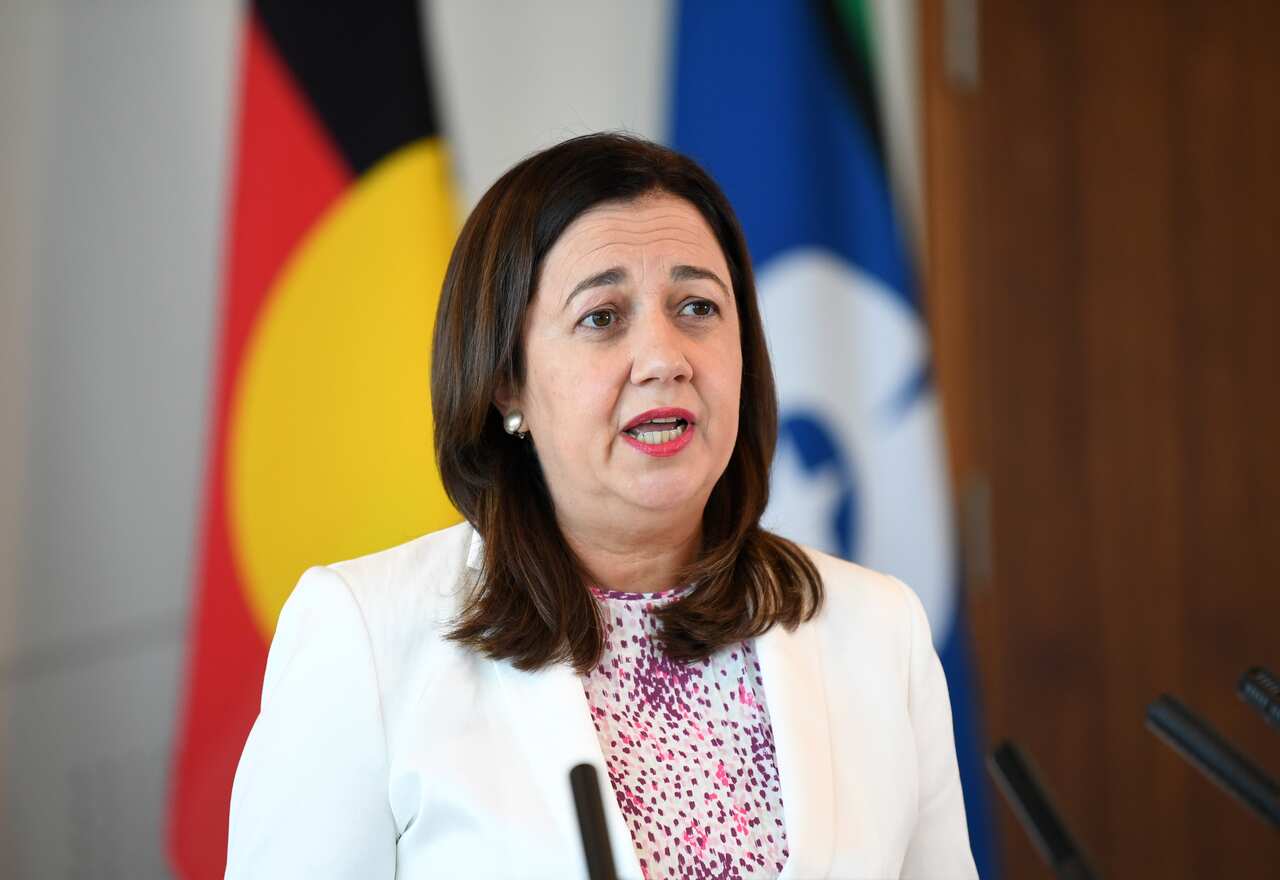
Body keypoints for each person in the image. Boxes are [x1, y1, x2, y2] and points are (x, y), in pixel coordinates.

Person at [225, 133, 977, 880]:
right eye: (602, 317)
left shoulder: (879, 628)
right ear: (506, 383)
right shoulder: (364, 640)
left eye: (697, 307)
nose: (664, 358)